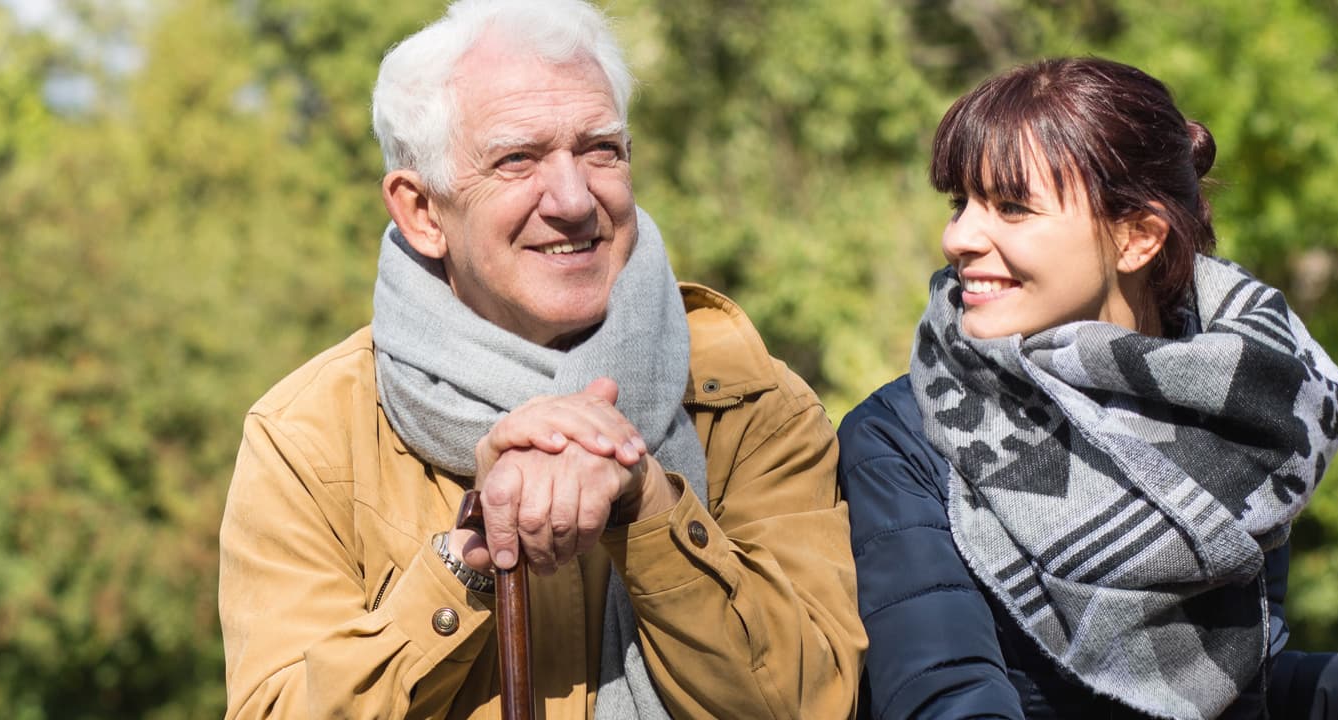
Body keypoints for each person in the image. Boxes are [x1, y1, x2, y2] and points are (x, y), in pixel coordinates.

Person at [216, 1, 864, 717]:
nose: (574, 199)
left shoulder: (753, 405)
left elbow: (813, 701)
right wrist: (469, 560)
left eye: (600, 150)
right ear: (423, 212)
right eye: (517, 159)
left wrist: (647, 505)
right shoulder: (307, 436)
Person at [838, 57, 1338, 720]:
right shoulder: (901, 438)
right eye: (961, 203)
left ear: (1138, 237)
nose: (957, 237)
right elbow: (947, 697)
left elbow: (1220, 686)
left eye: (1011, 207)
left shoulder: (1240, 414)